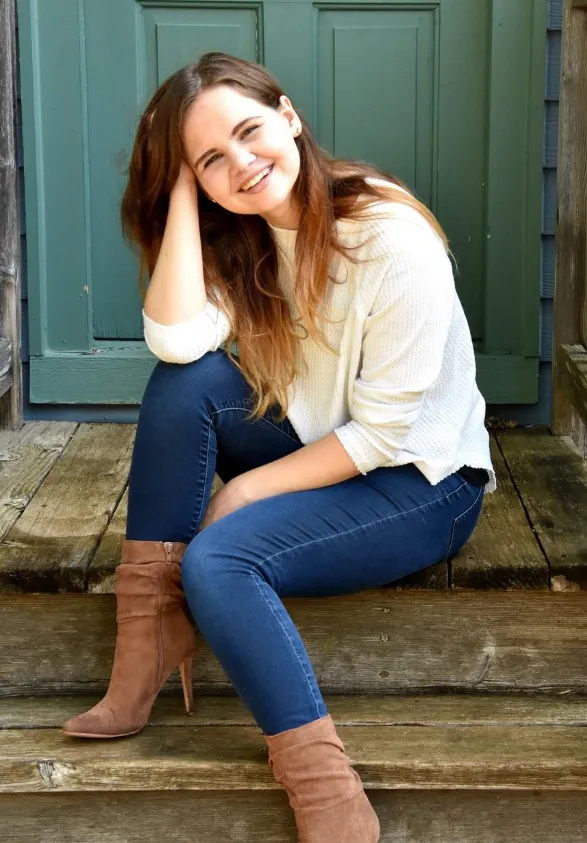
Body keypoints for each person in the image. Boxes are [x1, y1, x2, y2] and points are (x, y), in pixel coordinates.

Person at [62, 52, 496, 843]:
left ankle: (325, 790)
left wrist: (243, 492)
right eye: (212, 160)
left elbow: (383, 433)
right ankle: (147, 639)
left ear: (289, 116)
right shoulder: (249, 241)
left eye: (250, 132)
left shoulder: (390, 241)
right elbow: (175, 337)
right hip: (321, 447)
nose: (243, 164)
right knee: (184, 383)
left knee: (220, 558)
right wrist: (186, 196)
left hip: (422, 482)